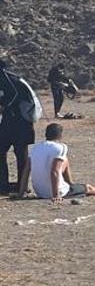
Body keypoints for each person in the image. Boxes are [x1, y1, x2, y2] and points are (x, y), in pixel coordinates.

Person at [29, 122, 95, 202]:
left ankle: (70, 183)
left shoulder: (35, 148)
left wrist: (21, 192)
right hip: (54, 192)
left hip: (40, 192)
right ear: (60, 135)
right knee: (88, 188)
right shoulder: (60, 147)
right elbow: (54, 171)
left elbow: (26, 169)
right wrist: (56, 196)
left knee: (64, 160)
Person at [0, 60, 36, 197]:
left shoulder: (8, 79)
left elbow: (14, 96)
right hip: (12, 122)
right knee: (16, 153)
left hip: (20, 123)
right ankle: (7, 185)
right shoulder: (10, 78)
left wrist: (4, 106)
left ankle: (20, 185)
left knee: (21, 154)